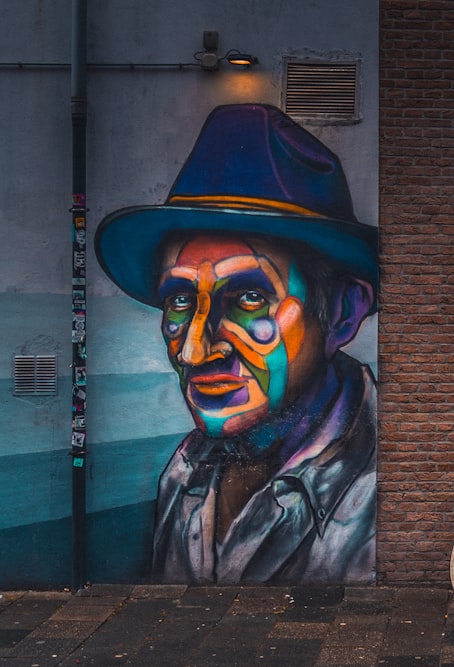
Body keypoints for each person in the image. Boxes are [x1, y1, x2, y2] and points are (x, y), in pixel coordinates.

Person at [95, 104, 378, 583]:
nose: (193, 351)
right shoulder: (185, 473)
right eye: (180, 300)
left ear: (341, 313)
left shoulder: (383, 490)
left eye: (249, 297)